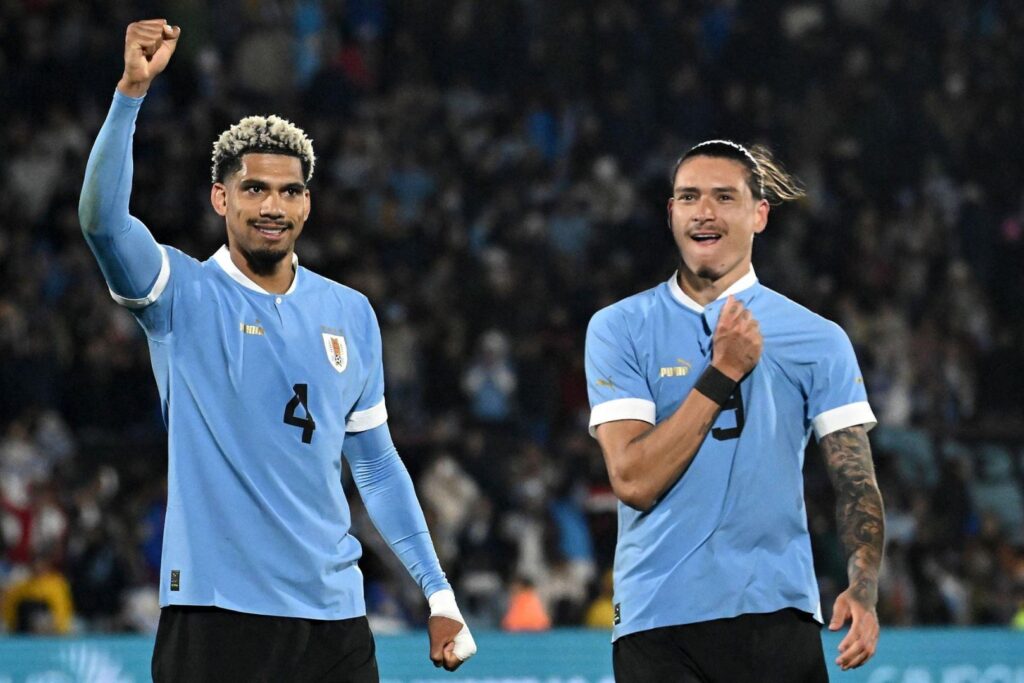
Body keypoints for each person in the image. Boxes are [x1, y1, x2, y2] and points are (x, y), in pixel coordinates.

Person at [79, 20, 476, 681]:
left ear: (307, 204)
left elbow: (376, 469)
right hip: (216, 615)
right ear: (220, 197)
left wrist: (438, 592)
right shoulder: (182, 294)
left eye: (289, 191)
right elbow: (102, 222)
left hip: (334, 621)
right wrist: (130, 94)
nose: (273, 205)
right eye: (255, 189)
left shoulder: (350, 313)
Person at [585, 139, 885, 681]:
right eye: (689, 197)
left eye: (725, 197)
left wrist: (863, 589)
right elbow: (632, 480)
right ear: (671, 213)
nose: (704, 211)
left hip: (776, 617)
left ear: (759, 214)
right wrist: (724, 371)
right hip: (658, 621)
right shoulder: (618, 328)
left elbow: (856, 484)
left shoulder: (819, 339)